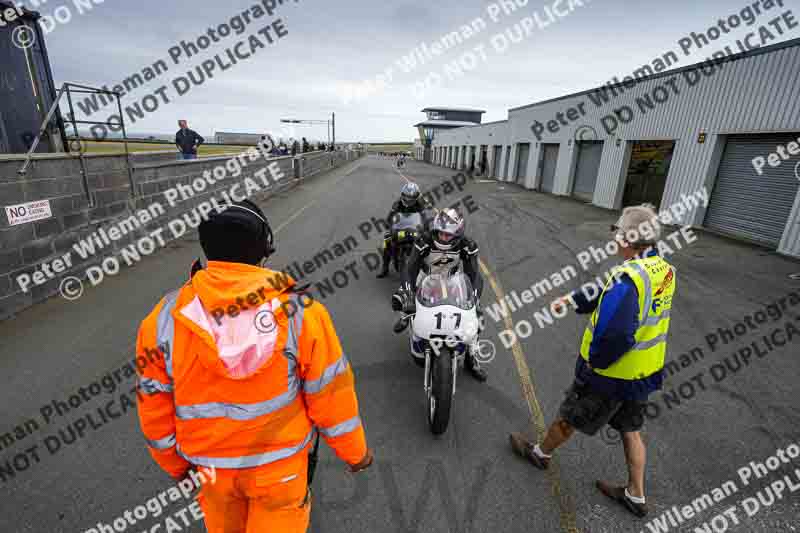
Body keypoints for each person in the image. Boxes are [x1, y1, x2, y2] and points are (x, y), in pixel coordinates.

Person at [136, 199, 373, 533]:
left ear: (206, 249)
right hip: (280, 470)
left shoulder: (163, 318)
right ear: (265, 248)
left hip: (210, 472)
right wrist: (355, 453)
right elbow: (331, 393)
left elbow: (153, 404)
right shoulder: (302, 313)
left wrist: (176, 466)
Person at [509, 204, 675, 519]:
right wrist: (571, 300)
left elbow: (619, 335)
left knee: (569, 416)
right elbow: (605, 289)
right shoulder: (660, 269)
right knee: (630, 429)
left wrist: (594, 365)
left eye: (616, 231)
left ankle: (540, 453)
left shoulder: (629, 279)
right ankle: (635, 494)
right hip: (642, 374)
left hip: (611, 375)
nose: (613, 237)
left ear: (628, 238)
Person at [393, 207, 487, 382]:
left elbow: (474, 275)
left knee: (477, 318)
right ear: (435, 230)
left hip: (452, 280)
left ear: (458, 233)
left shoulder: (468, 245)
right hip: (425, 277)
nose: (443, 237)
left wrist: (474, 299)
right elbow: (410, 267)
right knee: (400, 299)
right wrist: (407, 292)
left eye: (448, 235)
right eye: (440, 233)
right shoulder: (424, 241)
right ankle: (407, 319)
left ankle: (471, 358)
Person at [376, 182, 427, 279]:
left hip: (413, 230)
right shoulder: (397, 204)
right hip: (400, 230)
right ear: (402, 195)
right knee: (386, 239)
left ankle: (425, 267)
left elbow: (424, 218)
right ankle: (385, 267)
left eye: (411, 197)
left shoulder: (420, 204)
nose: (408, 199)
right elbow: (389, 218)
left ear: (416, 196)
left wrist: (425, 228)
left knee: (424, 243)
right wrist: (388, 225)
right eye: (406, 196)